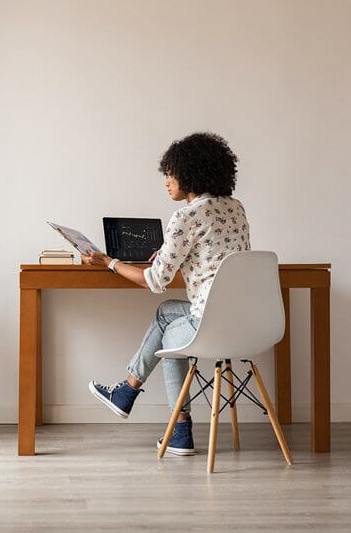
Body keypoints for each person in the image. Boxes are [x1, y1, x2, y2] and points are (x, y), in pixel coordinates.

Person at [81, 132, 251, 455]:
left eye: (170, 172)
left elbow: (154, 281)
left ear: (190, 173)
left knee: (171, 335)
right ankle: (128, 392)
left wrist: (108, 262)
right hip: (245, 322)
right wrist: (171, 252)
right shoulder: (236, 208)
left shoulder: (185, 217)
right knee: (165, 312)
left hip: (210, 322)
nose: (166, 181)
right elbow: (214, 252)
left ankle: (180, 430)